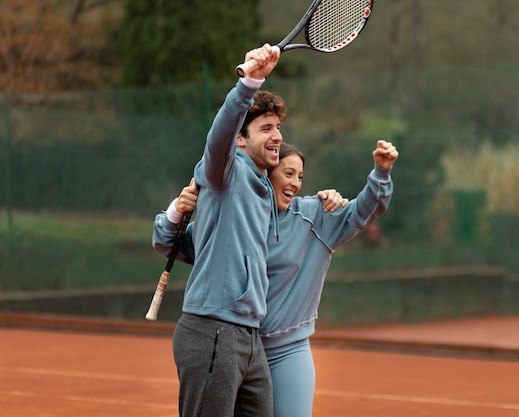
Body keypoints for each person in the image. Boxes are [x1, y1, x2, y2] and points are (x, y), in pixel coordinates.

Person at [154, 140, 398, 417]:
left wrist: (380, 172)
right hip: (234, 348)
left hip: (287, 353)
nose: (295, 183)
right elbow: (166, 243)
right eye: (288, 173)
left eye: (300, 176)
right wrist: (176, 209)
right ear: (265, 177)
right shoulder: (231, 220)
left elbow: (363, 211)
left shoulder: (315, 216)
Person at [156, 43, 283, 417]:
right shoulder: (226, 171)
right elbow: (218, 140)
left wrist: (172, 218)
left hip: (248, 336)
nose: (276, 136)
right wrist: (250, 83)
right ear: (240, 140)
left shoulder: (261, 189)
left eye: (278, 128)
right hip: (213, 331)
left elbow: (175, 244)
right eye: (265, 129)